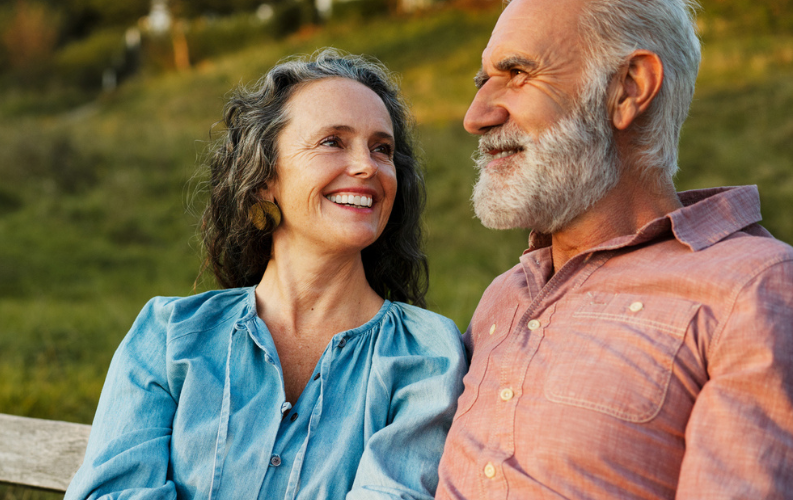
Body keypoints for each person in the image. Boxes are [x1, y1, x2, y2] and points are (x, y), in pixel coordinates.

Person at [64, 49, 467, 500]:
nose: (367, 166)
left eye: (382, 148)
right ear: (264, 177)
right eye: (333, 141)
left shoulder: (426, 355)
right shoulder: (169, 336)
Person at [435, 0, 793, 498]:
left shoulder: (753, 288)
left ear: (629, 87)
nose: (477, 116)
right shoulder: (503, 297)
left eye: (517, 73)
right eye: (482, 81)